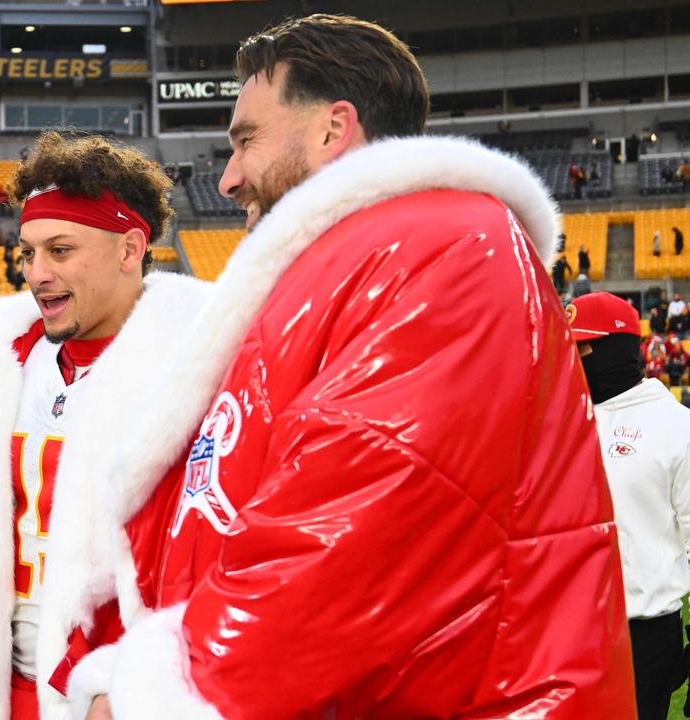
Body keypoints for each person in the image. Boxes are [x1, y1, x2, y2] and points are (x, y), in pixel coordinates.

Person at [73, 15, 634, 719]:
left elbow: (349, 523)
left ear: (334, 129)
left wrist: (164, 693)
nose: (229, 177)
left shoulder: (448, 248)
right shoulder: (353, 264)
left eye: (246, 140)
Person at [0, 132, 210, 720]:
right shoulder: (1, 361)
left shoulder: (197, 374)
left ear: (131, 249)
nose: (36, 273)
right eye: (27, 252)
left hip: (112, 692)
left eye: (59, 249)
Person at [569, 292, 690, 719]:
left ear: (614, 348)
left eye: (580, 348)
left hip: (643, 636)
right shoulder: (563, 418)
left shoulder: (676, 427)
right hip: (567, 630)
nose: (572, 360)